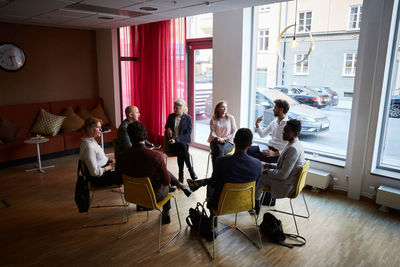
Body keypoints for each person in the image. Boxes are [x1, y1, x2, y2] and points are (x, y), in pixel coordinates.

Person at [116, 122, 192, 224]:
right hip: (152, 196)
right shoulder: (155, 156)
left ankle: (179, 184)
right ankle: (166, 211)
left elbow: (117, 180)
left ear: (129, 137)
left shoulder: (121, 157)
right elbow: (166, 181)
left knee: (158, 172)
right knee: (168, 185)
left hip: (131, 195)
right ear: (145, 136)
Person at [187, 128, 262, 212]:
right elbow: (256, 186)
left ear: (234, 141)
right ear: (250, 144)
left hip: (222, 204)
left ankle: (212, 220)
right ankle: (200, 183)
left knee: (210, 186)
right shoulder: (258, 164)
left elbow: (214, 183)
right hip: (246, 204)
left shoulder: (221, 161)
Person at [254, 119, 306, 215]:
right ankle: (256, 202)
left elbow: (283, 175)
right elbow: (285, 166)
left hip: (286, 184)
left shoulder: (293, 149)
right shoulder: (294, 144)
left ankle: (255, 205)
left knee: (260, 177)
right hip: (289, 179)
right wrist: (270, 166)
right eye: (284, 130)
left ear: (295, 134)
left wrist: (268, 171)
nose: (283, 133)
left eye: (287, 131)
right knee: (262, 169)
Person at [79, 117, 122, 187]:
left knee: (125, 165)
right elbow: (95, 172)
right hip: (99, 179)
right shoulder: (89, 146)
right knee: (126, 171)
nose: (100, 129)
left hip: (104, 171)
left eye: (100, 127)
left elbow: (97, 158)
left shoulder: (90, 140)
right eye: (98, 127)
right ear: (88, 128)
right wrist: (111, 166)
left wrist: (109, 160)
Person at [247, 99, 290, 163]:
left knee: (253, 156)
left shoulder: (288, 125)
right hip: (268, 148)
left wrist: (275, 153)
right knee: (247, 150)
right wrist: (257, 124)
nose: (273, 109)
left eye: (275, 108)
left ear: (281, 110)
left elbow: (290, 147)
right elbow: (262, 135)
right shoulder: (274, 122)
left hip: (277, 154)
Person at [165, 99, 197, 182]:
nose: (175, 110)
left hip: (182, 142)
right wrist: (168, 128)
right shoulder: (171, 116)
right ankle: (191, 170)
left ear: (183, 108)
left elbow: (187, 134)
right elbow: (167, 126)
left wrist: (176, 140)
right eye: (174, 107)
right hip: (172, 143)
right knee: (182, 148)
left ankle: (181, 176)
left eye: (177, 108)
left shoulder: (188, 118)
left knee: (181, 148)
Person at [208, 101, 237, 168]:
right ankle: (220, 174)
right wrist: (218, 138)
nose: (225, 109)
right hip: (215, 141)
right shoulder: (213, 119)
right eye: (222, 107)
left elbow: (234, 131)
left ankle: (215, 174)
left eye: (225, 107)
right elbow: (213, 132)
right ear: (218, 109)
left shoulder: (230, 118)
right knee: (218, 148)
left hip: (228, 142)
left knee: (217, 150)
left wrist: (223, 139)